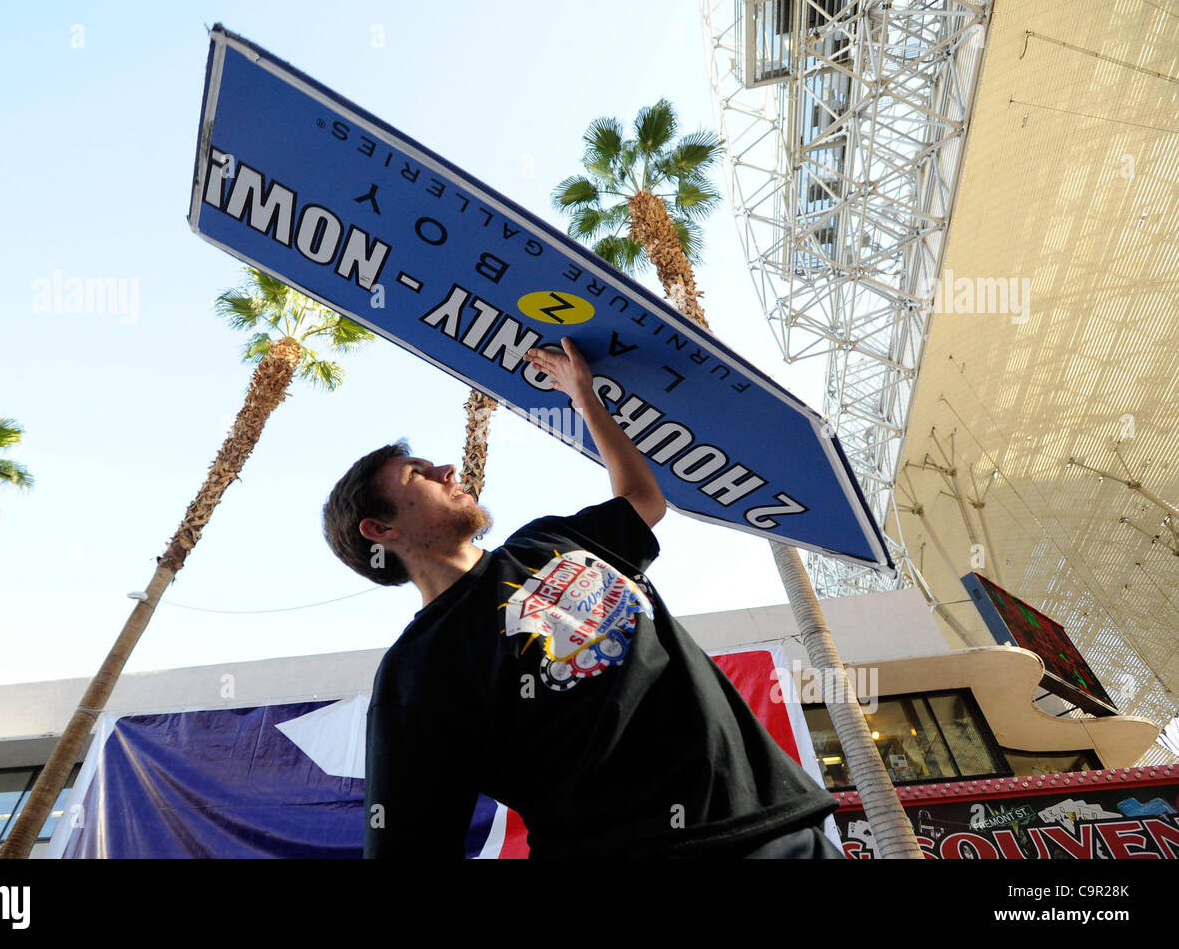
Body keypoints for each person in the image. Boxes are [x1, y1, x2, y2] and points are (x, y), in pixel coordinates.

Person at [322, 337, 842, 858]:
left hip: (783, 827)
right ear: (379, 528)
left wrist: (584, 398)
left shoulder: (545, 540)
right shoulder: (418, 669)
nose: (448, 471)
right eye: (419, 474)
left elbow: (642, 500)